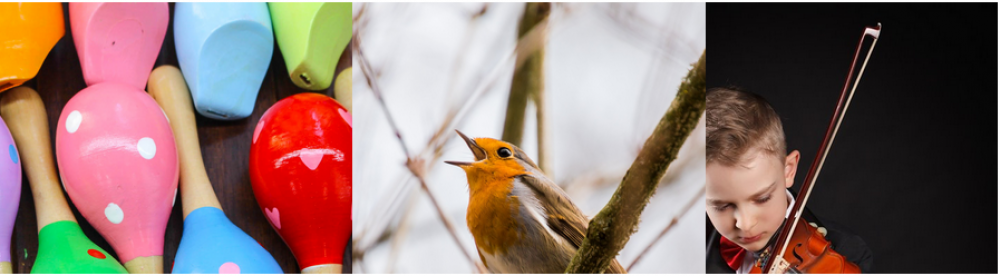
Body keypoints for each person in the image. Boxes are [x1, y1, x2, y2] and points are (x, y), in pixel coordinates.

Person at [704, 87, 873, 273]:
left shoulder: (847, 252)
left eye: (762, 198)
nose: (745, 224)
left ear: (788, 170)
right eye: (721, 206)